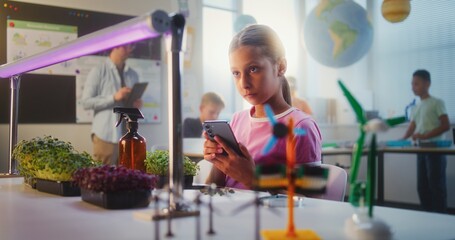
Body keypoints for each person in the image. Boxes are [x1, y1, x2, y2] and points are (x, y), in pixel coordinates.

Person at [203, 24, 322, 189]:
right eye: (236, 73)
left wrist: (253, 179)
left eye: (253, 69)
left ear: (280, 67)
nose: (243, 83)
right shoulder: (237, 120)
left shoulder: (303, 127)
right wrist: (220, 159)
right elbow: (214, 187)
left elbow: (311, 201)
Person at [81, 43, 142, 165]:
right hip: (105, 135)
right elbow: (85, 102)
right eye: (126, 46)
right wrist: (114, 97)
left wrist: (136, 103)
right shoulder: (98, 71)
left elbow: (132, 103)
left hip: (127, 134)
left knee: (126, 178)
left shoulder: (133, 74)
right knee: (102, 180)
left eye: (131, 46)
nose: (129, 49)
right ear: (114, 46)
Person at [402, 69, 450, 213]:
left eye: (416, 84)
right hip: (421, 149)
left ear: (427, 84)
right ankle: (427, 216)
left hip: (435, 149)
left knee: (436, 185)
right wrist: (400, 140)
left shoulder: (437, 102)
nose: (413, 87)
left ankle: (441, 219)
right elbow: (412, 127)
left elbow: (445, 125)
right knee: (422, 186)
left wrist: (425, 136)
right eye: (412, 84)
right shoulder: (416, 106)